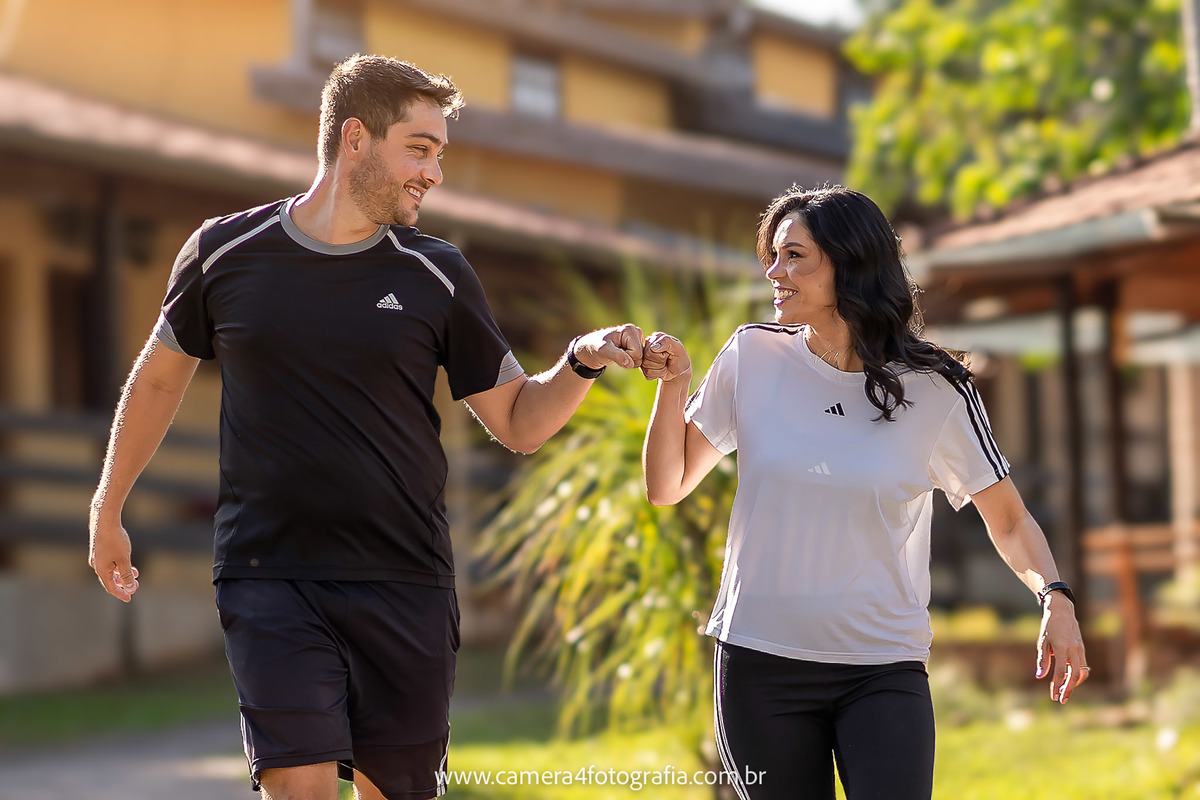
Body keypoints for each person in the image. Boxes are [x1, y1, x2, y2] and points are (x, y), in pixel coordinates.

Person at [87, 54, 643, 800]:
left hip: (405, 579)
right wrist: (108, 506)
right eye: (419, 149)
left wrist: (581, 359)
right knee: (300, 786)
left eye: (439, 154)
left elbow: (519, 421)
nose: (434, 174)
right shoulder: (224, 253)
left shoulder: (437, 273)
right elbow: (158, 379)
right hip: (270, 575)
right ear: (355, 138)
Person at [639, 185, 1087, 800]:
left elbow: (1008, 519)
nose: (774, 272)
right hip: (760, 661)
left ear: (849, 264)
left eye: (795, 256)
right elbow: (666, 485)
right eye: (772, 255)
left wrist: (1054, 598)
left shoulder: (937, 389)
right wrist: (674, 385)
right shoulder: (751, 356)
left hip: (882, 668)